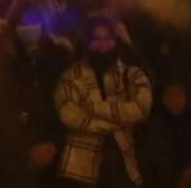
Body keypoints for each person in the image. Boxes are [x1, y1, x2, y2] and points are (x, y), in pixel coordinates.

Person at [55, 15, 151, 187]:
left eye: (107, 38)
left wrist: (94, 108)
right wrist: (119, 120)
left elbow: (140, 108)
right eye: (96, 39)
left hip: (126, 165)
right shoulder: (71, 75)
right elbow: (68, 114)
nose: (102, 45)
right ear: (86, 41)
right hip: (81, 170)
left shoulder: (132, 74)